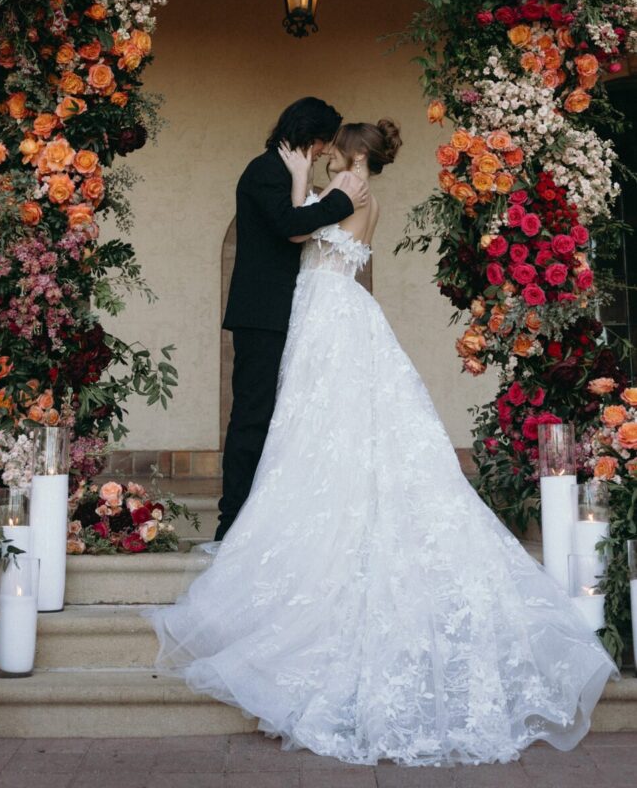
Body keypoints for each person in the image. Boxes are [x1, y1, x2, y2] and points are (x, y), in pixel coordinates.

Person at [147, 118, 618, 768]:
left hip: (328, 316)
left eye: (332, 149)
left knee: (321, 427)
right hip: (339, 314)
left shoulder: (347, 189)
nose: (326, 156)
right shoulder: (371, 197)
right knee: (337, 428)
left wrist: (292, 180)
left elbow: (301, 228)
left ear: (348, 153)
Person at [216, 96, 368, 540]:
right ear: (308, 135)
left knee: (285, 419)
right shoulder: (264, 171)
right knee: (252, 415)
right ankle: (231, 524)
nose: (323, 152)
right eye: (322, 142)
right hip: (262, 316)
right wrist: (340, 199)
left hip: (294, 315)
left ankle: (263, 519)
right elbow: (290, 226)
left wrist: (304, 180)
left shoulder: (287, 172)